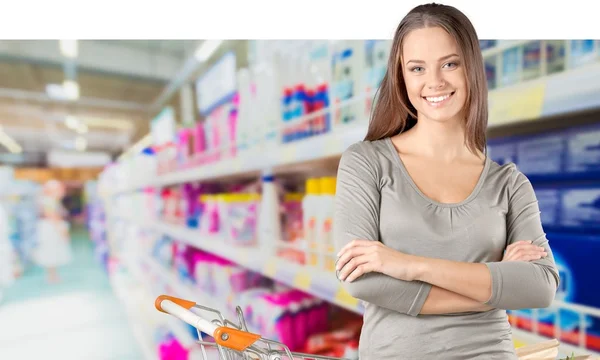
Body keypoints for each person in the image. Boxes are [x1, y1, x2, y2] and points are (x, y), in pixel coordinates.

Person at [333, 3, 559, 359]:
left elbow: (541, 286)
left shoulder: (509, 184)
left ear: (471, 68)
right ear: (402, 77)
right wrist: (494, 285)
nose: (434, 82)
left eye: (449, 64)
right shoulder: (367, 163)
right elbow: (362, 279)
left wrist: (409, 265)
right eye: (417, 68)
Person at [33, 179, 72, 283]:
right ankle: (52, 276)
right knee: (51, 251)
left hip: (50, 228)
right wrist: (62, 231)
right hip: (51, 229)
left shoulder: (50, 200)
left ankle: (53, 275)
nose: (62, 191)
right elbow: (52, 217)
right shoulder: (49, 201)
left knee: (52, 251)